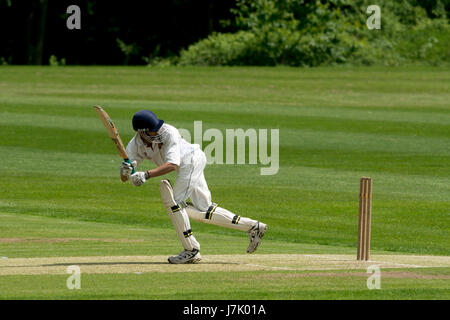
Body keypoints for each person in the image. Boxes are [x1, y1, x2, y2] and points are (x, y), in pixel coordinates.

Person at [120, 110, 267, 264]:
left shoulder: (169, 132)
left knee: (174, 203)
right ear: (141, 132)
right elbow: (125, 177)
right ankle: (253, 227)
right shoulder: (135, 145)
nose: (157, 131)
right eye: (152, 129)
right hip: (187, 165)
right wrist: (126, 172)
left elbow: (172, 164)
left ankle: (191, 250)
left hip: (190, 161)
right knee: (204, 209)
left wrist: (146, 175)